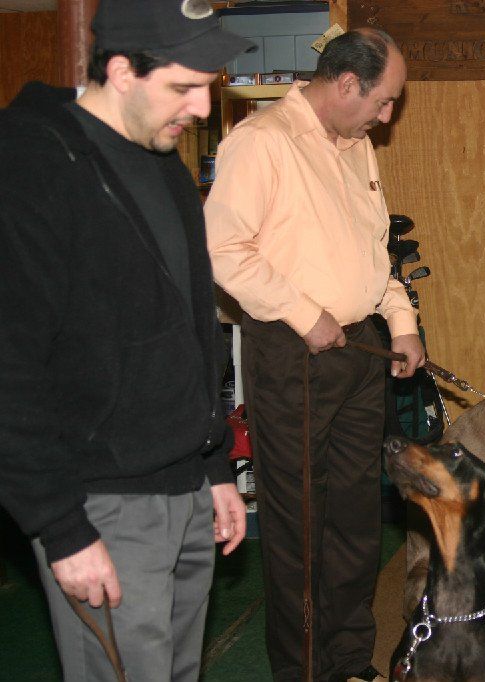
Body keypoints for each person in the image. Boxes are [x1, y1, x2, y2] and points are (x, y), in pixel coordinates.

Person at [0, 1, 254, 680]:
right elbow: (9, 365)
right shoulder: (30, 165)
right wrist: (60, 526)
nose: (202, 108)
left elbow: (192, 326)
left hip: (184, 487)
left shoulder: (161, 155)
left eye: (210, 84)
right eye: (183, 87)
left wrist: (213, 465)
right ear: (120, 70)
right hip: (101, 500)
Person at [204, 28, 424, 682]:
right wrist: (305, 314)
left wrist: (402, 321)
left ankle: (350, 663)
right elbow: (223, 251)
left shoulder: (356, 147)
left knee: (357, 523)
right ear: (346, 84)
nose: (388, 117)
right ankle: (305, 673)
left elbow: (373, 253)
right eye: (384, 101)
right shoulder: (261, 143)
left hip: (362, 350)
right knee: (302, 530)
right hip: (293, 351)